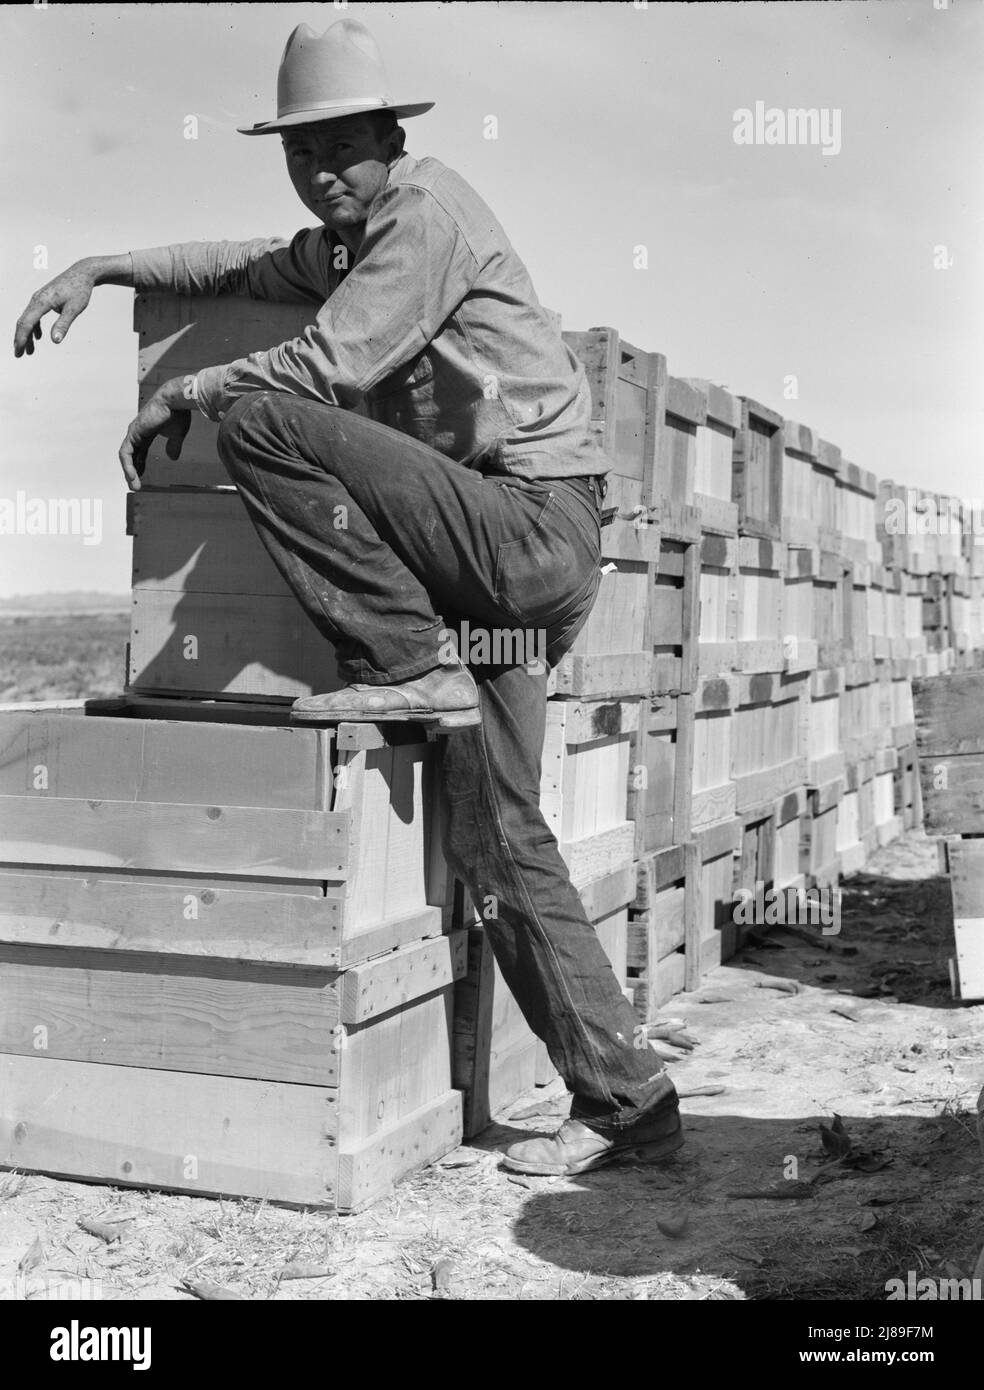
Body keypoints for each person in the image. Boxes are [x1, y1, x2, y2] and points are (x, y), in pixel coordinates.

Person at [13, 17, 682, 1177]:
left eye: (340, 148)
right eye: (299, 153)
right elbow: (235, 266)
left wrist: (197, 391)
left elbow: (324, 366)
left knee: (264, 414)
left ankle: (399, 655)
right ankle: (630, 1101)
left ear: (389, 134)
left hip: (526, 532)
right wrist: (100, 265)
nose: (322, 172)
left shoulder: (422, 213)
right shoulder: (351, 236)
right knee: (500, 837)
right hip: (490, 572)